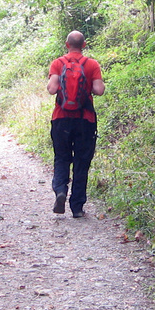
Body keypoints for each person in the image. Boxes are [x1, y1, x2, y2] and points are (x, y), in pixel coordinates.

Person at [46, 30, 105, 218]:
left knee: (62, 157)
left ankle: (61, 190)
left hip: (61, 119)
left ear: (66, 44)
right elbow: (99, 90)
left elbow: (52, 89)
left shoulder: (57, 63)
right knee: (82, 161)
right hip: (85, 120)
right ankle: (77, 207)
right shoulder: (92, 64)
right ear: (84, 45)